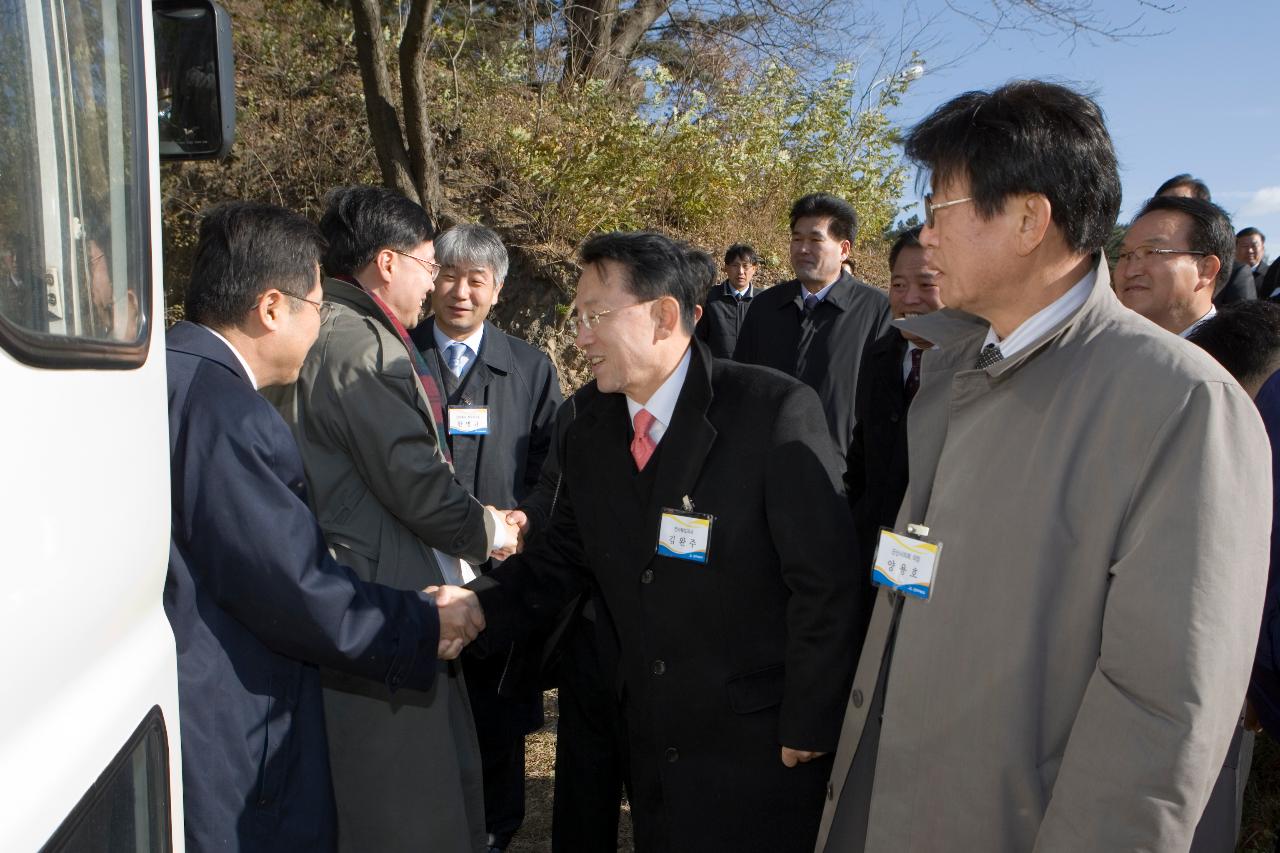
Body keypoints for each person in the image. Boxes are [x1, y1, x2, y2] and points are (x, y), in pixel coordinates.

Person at [817, 80, 1271, 853]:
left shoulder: (1181, 403)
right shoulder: (955, 363)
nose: (925, 239)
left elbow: (1162, 713)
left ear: (1029, 217)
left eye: (941, 211)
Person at [452, 230, 869, 852]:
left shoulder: (771, 410)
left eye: (595, 317)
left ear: (664, 316)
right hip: (651, 732)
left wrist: (810, 719)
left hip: (757, 742)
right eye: (576, 317)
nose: (579, 336)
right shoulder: (588, 426)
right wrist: (478, 606)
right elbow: (564, 557)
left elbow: (826, 581)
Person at [165, 201, 482, 852]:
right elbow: (292, 585)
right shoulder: (229, 412)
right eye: (316, 306)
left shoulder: (166, 373)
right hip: (234, 717)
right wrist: (422, 624)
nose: (321, 325)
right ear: (272, 308)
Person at [267, 187, 519, 853]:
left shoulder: (326, 329)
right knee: (403, 804)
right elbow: (414, 480)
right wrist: (491, 530)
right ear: (387, 261)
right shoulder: (360, 344)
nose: (434, 284)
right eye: (430, 266)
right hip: (383, 598)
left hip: (354, 591)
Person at [408, 223, 564, 853]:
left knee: (496, 717)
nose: (461, 292)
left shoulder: (529, 367)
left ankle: (497, 831)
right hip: (416, 566)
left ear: (498, 289)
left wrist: (525, 517)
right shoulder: (396, 355)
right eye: (448, 275)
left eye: (477, 280)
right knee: (418, 711)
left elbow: (552, 466)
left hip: (499, 575)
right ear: (430, 279)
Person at [732, 193, 891, 458]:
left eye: (816, 240)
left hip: (840, 474)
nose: (802, 248)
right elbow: (741, 385)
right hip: (766, 467)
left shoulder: (875, 309)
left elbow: (883, 404)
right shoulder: (765, 306)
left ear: (844, 250)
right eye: (797, 239)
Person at [845, 226, 943, 573]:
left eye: (927, 285)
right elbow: (863, 448)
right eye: (898, 285)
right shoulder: (879, 356)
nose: (909, 298)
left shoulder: (981, 369)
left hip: (938, 560)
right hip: (869, 549)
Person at [1115, 195, 1233, 337]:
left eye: (1151, 252)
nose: (1130, 271)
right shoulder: (1103, 347)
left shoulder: (1236, 355)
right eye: (1124, 255)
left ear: (1206, 269)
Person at [1153, 175, 1255, 306]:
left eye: (1178, 205)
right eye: (1160, 206)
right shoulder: (1139, 266)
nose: (1166, 214)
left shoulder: (1236, 274)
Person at [695, 243, 758, 358]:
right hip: (718, 371)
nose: (740, 271)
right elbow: (698, 339)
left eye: (745, 266)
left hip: (752, 372)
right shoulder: (709, 297)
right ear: (726, 268)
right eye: (735, 265)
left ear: (754, 269)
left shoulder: (763, 300)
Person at [1237, 227, 1270, 296]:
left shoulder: (1272, 274)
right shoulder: (1227, 275)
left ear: (1262, 248)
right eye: (1245, 246)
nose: (1250, 250)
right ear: (1235, 249)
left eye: (1254, 246)